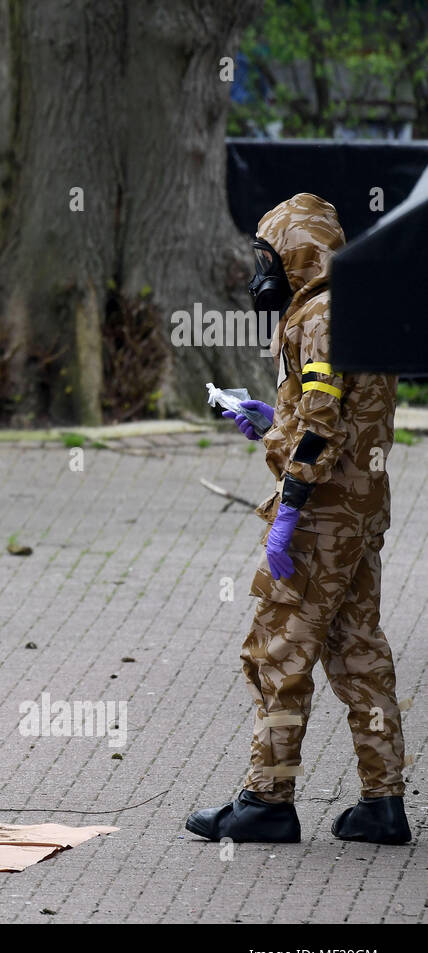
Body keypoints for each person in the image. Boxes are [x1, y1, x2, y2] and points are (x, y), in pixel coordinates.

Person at [187, 193, 410, 844]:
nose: (264, 272)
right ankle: (384, 800)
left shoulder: (317, 313)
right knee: (359, 650)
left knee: (278, 650)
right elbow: (332, 411)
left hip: (321, 516)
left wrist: (290, 510)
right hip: (362, 506)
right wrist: (269, 422)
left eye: (268, 257)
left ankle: (267, 799)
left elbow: (321, 423)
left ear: (294, 252)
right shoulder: (357, 303)